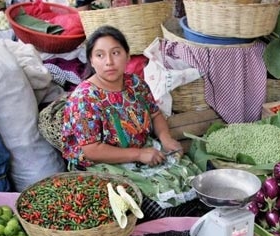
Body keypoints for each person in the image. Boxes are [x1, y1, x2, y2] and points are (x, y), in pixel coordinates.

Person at [61, 25, 208, 220]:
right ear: (91, 61)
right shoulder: (85, 98)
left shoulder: (135, 84)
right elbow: (91, 150)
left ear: (127, 55)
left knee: (190, 177)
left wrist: (166, 138)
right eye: (100, 55)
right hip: (101, 162)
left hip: (142, 149)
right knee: (154, 205)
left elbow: (155, 114)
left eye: (116, 53)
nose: (109, 62)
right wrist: (138, 154)